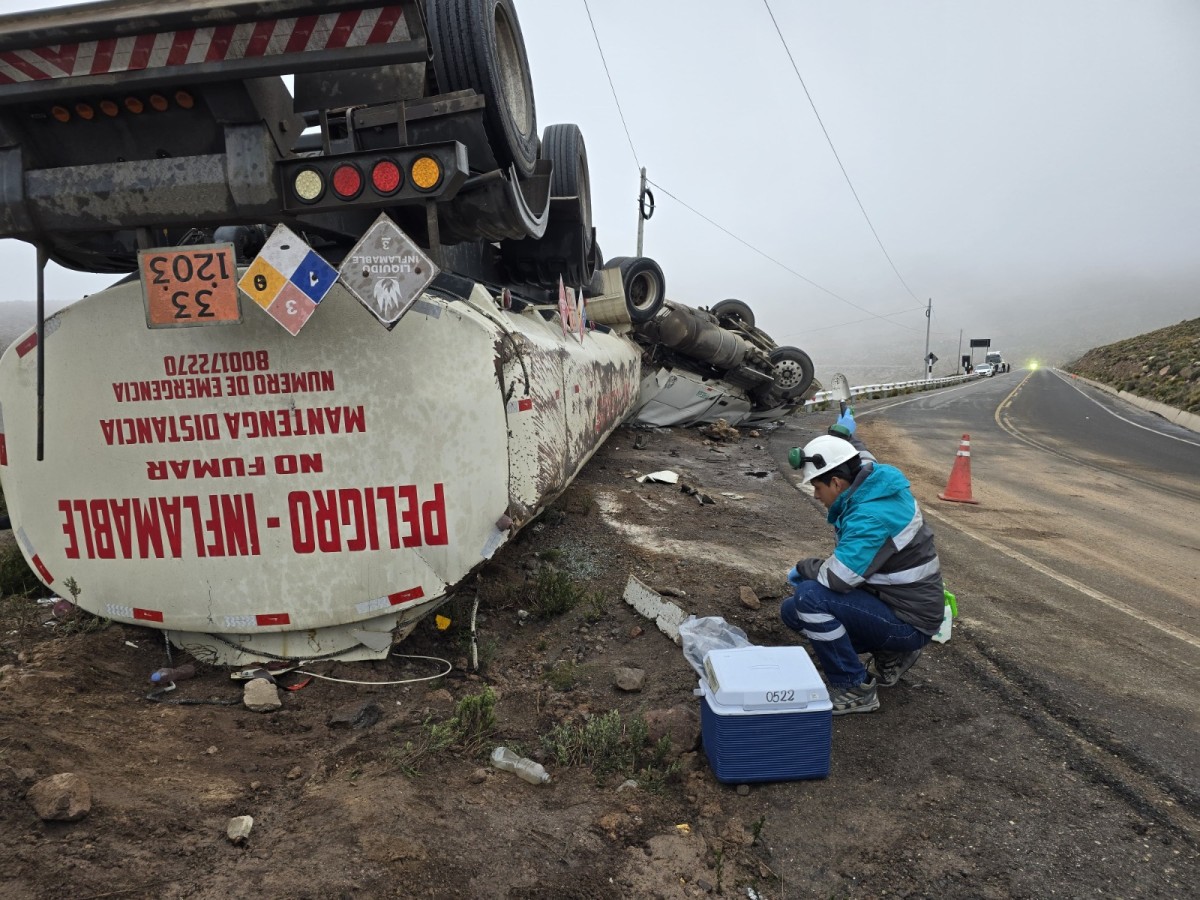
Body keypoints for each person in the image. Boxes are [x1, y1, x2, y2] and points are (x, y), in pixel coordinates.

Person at [780, 418, 944, 714]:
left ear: (836, 483)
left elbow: (838, 578)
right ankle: (889, 651)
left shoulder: (870, 517)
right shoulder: (869, 478)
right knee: (792, 612)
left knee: (810, 598)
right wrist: (842, 434)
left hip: (910, 620)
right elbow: (859, 453)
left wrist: (805, 567)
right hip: (896, 602)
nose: (816, 496)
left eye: (817, 487)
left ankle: (854, 687)